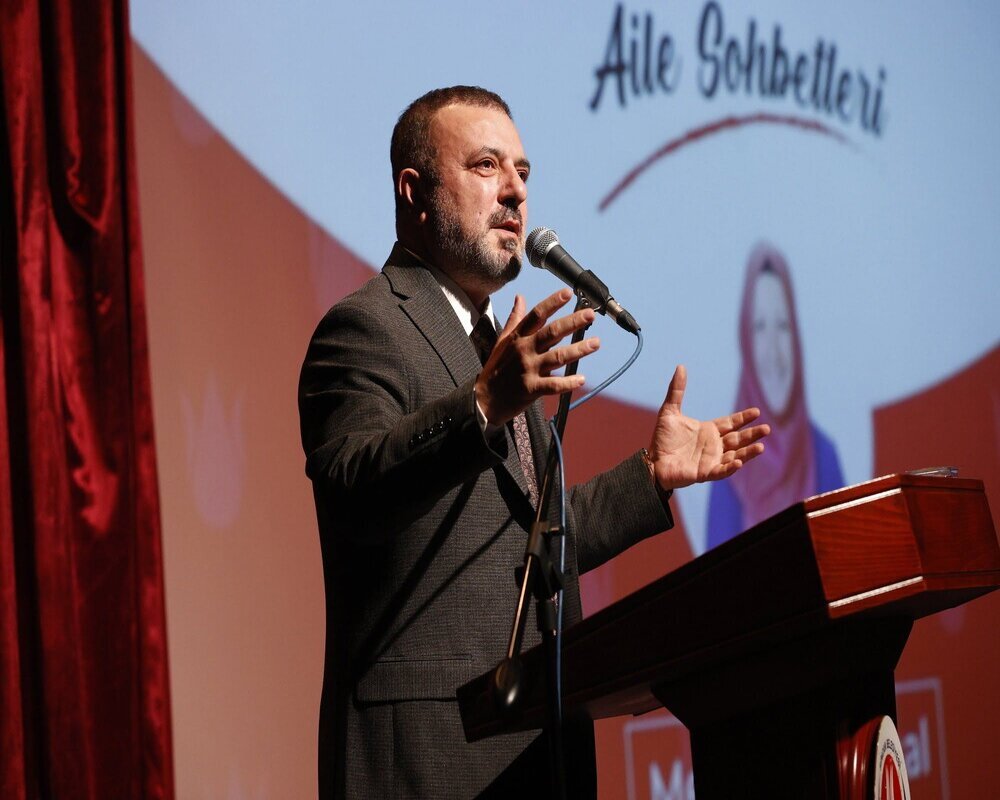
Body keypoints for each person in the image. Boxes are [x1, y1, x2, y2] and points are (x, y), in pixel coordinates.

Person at [298, 86, 769, 799]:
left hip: (539, 747)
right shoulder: (365, 329)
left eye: (522, 171)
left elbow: (528, 544)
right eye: (487, 166)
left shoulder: (496, 343)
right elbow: (352, 487)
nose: (516, 192)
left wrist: (650, 475)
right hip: (430, 758)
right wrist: (485, 402)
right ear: (414, 191)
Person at [706, 243, 844, 549]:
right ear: (745, 341)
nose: (774, 353)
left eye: (782, 326)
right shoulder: (727, 464)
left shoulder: (825, 456)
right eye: (759, 328)